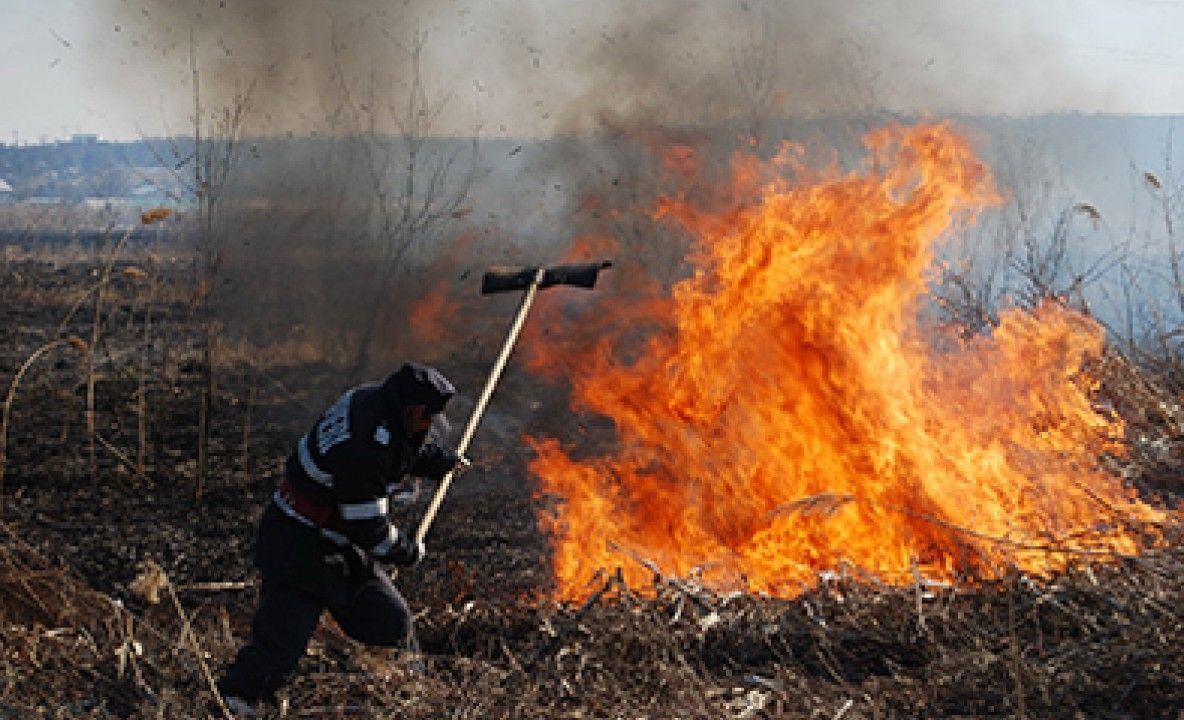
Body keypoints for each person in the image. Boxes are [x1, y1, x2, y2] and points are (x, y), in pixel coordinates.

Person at [217, 362, 465, 715]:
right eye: (427, 420)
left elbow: (405, 445)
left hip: (337, 546)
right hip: (300, 546)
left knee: (391, 622)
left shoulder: (374, 400)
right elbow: (369, 529)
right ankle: (233, 701)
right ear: (413, 410)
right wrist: (408, 551)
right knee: (280, 646)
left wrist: (441, 461)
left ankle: (410, 697)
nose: (428, 429)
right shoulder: (364, 447)